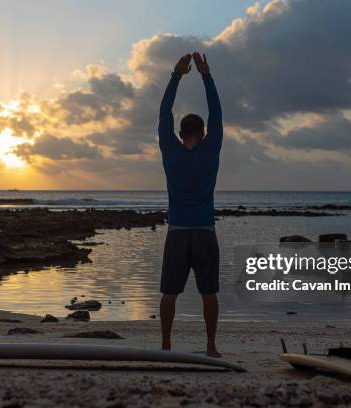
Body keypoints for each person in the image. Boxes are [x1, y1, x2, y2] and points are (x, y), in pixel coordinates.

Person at [158, 52, 223, 357]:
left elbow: (163, 115)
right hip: (205, 234)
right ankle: (210, 346)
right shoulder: (210, 152)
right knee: (209, 294)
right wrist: (206, 76)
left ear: (181, 133)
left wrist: (176, 75)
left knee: (169, 293)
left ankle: (166, 344)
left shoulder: (171, 152)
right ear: (205, 133)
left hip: (177, 234)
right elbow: (217, 114)